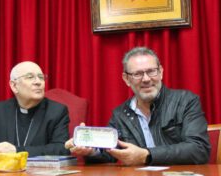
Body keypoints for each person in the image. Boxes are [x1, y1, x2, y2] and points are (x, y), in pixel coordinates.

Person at [66, 47, 210, 165]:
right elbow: (110, 153)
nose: (146, 79)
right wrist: (91, 151)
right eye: (138, 74)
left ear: (161, 72)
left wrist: (146, 155)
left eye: (151, 71)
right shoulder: (120, 114)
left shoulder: (186, 101)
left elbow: (199, 149)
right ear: (126, 79)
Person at [0, 61, 70, 160]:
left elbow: (61, 149)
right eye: (30, 77)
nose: (38, 82)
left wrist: (16, 151)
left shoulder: (57, 111)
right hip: (1, 175)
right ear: (14, 86)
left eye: (41, 77)